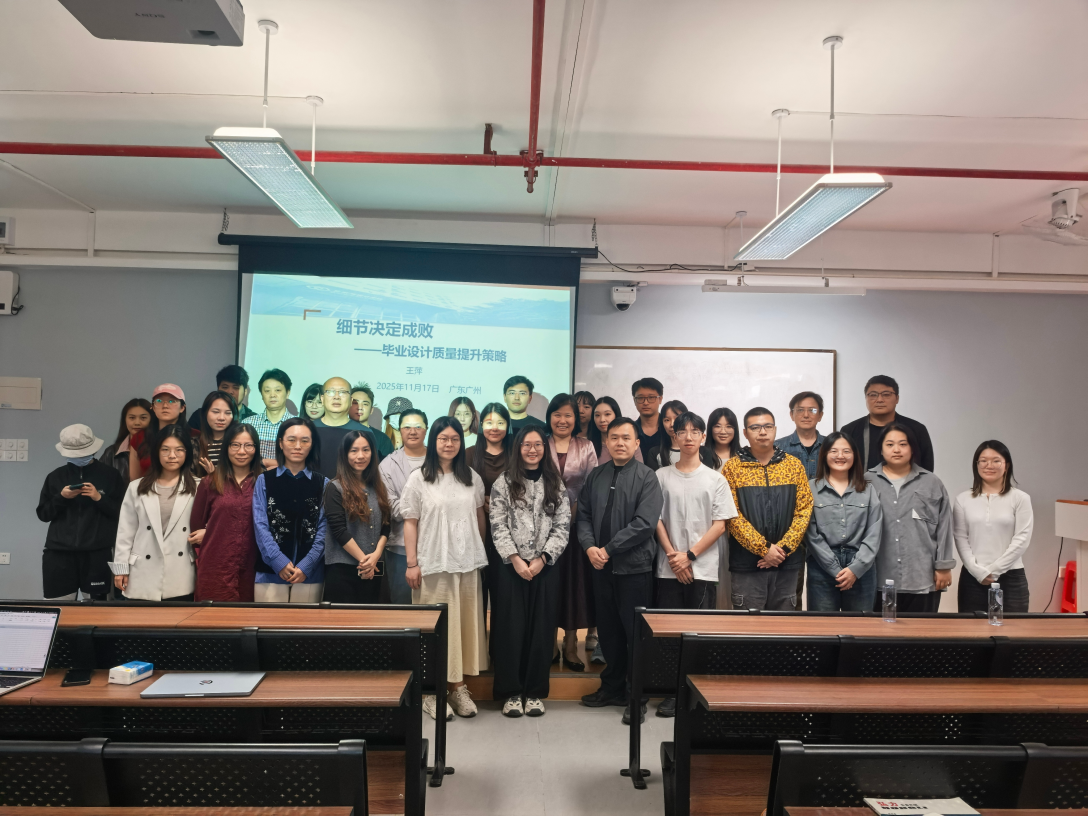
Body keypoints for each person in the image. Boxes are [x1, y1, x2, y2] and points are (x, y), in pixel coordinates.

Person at [401, 417, 488, 720]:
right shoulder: (418, 478)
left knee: (462, 628)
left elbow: (480, 519)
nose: (449, 444)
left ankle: (457, 688)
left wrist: (475, 551)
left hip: (466, 566)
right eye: (443, 439)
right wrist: (412, 563)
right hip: (433, 565)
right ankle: (430, 692)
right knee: (434, 630)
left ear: (461, 442)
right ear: (433, 441)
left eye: (454, 439)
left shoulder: (471, 477)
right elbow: (410, 523)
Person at [577, 417, 663, 725]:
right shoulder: (596, 475)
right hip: (600, 567)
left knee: (635, 634)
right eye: (614, 438)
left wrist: (609, 549)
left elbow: (645, 524)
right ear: (606, 442)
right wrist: (589, 547)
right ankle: (611, 688)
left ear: (637, 443)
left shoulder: (647, 477)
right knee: (609, 631)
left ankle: (636, 696)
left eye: (626, 438)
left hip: (633, 569)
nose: (620, 443)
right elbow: (583, 516)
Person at [653, 412, 737, 716]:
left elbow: (720, 524)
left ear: (703, 437)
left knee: (697, 633)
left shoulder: (716, 478)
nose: (688, 437)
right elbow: (655, 520)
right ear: (674, 436)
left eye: (695, 431)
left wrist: (688, 556)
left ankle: (694, 694)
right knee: (670, 634)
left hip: (702, 568)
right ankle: (672, 693)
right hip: (668, 568)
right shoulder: (661, 476)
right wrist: (674, 557)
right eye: (682, 431)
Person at [490, 425, 570, 717]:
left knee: (542, 629)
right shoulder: (504, 482)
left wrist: (543, 558)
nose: (532, 450)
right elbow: (497, 524)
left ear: (544, 449)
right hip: (510, 567)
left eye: (538, 444)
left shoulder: (555, 483)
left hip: (545, 567)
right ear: (518, 448)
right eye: (527, 444)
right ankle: (511, 692)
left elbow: (563, 525)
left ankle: (535, 692)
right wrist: (515, 558)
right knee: (510, 630)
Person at [723, 408, 813, 611]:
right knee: (748, 627)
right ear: (745, 433)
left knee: (784, 627)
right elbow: (731, 515)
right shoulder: (732, 468)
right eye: (755, 427)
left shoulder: (793, 466)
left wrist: (782, 550)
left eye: (767, 426)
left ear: (775, 429)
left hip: (787, 564)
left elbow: (804, 509)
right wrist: (764, 549)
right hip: (747, 565)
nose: (762, 432)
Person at [867, 423, 955, 613]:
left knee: (921, 631)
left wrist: (944, 566)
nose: (896, 449)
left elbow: (945, 527)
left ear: (912, 448)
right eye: (890, 444)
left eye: (903, 444)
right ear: (881, 450)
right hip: (877, 577)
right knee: (879, 632)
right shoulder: (866, 481)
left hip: (922, 577)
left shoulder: (931, 482)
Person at [36, 424, 125, 600]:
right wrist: (62, 497)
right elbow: (43, 514)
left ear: (94, 449)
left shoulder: (110, 476)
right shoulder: (55, 477)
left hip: (97, 554)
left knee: (96, 611)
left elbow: (122, 514)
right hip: (59, 554)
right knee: (59, 609)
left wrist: (98, 498)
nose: (79, 458)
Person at [110, 425, 199, 601]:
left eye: (179, 450)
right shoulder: (136, 487)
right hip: (142, 571)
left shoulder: (198, 486)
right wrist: (121, 569)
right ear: (156, 452)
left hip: (180, 570)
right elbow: (125, 532)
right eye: (165, 450)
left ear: (187, 453)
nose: (172, 455)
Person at [546, 394, 599, 672]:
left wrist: (573, 512)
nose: (562, 420)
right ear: (549, 417)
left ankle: (570, 642)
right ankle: (548, 642)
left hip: (577, 527)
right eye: (557, 414)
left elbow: (592, 486)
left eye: (568, 415)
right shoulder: (540, 443)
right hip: (543, 529)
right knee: (548, 585)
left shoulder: (586, 446)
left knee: (573, 586)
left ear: (575, 419)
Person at [252, 417, 329, 603]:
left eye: (305, 441)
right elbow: (260, 525)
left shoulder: (323, 483)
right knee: (268, 622)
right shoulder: (264, 480)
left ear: (312, 444)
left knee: (306, 622)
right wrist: (278, 561)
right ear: (280, 443)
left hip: (310, 574)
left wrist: (307, 565)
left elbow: (324, 529)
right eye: (291, 440)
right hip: (270, 571)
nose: (298, 446)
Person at [804, 432, 883, 612]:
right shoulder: (810, 488)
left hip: (861, 567)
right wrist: (833, 568)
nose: (840, 456)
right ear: (824, 455)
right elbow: (810, 533)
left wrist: (856, 569)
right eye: (834, 451)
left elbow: (874, 532)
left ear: (855, 456)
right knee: (823, 626)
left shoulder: (868, 490)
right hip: (821, 564)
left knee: (860, 625)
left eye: (846, 451)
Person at [954, 440, 1033, 614]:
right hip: (972, 578)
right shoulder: (963, 499)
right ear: (976, 465)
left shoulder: (1020, 498)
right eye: (983, 461)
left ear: (1007, 465)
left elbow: (1022, 538)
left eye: (996, 461)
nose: (989, 465)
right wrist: (977, 571)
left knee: (1015, 629)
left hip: (1011, 577)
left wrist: (994, 571)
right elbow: (960, 538)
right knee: (971, 630)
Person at [189, 423, 263, 602]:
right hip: (216, 568)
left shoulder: (264, 482)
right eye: (235, 445)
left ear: (256, 449)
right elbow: (195, 529)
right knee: (213, 618)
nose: (241, 451)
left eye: (248, 445)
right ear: (226, 447)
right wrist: (212, 533)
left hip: (254, 568)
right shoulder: (210, 482)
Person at [323, 430, 392, 604]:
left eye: (366, 450)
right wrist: (365, 561)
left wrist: (376, 555)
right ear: (345, 455)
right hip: (343, 572)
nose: (360, 456)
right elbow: (339, 531)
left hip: (374, 568)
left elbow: (386, 525)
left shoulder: (379, 487)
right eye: (354, 451)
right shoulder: (335, 487)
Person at [775, 391, 827, 602]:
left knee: (824, 587)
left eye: (812, 410)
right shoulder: (778, 448)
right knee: (790, 590)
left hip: (824, 526)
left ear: (820, 415)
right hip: (789, 526)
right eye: (800, 410)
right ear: (791, 414)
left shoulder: (832, 446)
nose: (806, 414)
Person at [380, 409, 429, 605]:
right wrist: (430, 506)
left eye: (418, 426)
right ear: (399, 430)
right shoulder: (387, 465)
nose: (413, 431)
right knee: (402, 607)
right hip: (399, 550)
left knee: (434, 607)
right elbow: (392, 509)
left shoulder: (441, 460)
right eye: (407, 427)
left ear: (426, 429)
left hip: (435, 546)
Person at [469, 403, 511, 621]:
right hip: (474, 532)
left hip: (509, 535)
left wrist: (499, 503)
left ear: (508, 425)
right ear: (480, 425)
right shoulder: (467, 455)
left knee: (504, 597)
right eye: (489, 422)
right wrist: (477, 502)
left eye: (500, 423)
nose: (495, 428)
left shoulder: (517, 455)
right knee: (476, 596)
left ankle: (499, 643)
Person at [841, 376, 935, 472]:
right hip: (861, 482)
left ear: (897, 398)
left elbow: (926, 469)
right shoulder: (849, 431)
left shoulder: (916, 429)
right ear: (866, 398)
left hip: (908, 482)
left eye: (886, 394)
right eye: (873, 395)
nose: (879, 400)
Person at [313, 377, 377, 478]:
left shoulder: (364, 433)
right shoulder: (308, 429)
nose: (336, 397)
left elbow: (370, 473)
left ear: (351, 400)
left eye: (342, 392)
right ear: (322, 399)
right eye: (331, 392)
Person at [244, 369, 297, 470]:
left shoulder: (298, 426)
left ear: (287, 393)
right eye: (267, 391)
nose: (272, 395)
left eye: (278, 390)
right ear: (262, 394)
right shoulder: (248, 424)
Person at [99, 398, 152, 483]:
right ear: (125, 420)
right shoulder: (111, 453)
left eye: (143, 418)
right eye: (132, 418)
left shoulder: (159, 449)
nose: (137, 423)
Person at [188, 364, 255, 430]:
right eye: (225, 387)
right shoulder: (200, 415)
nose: (230, 392)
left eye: (236, 387)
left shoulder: (254, 419)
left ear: (245, 392)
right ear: (218, 389)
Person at [588, 396, 643, 465]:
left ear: (616, 415)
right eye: (597, 415)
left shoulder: (630, 444)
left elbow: (640, 469)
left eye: (607, 414)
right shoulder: (588, 446)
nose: (602, 419)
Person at [193, 391, 238, 477]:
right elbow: (188, 477)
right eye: (216, 412)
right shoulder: (195, 443)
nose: (221, 418)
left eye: (228, 413)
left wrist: (213, 476)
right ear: (205, 413)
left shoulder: (240, 443)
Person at [350, 384, 394, 458]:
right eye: (355, 403)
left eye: (365, 404)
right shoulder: (338, 433)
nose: (360, 407)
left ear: (371, 410)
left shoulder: (382, 439)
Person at [631, 377, 668, 455]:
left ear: (660, 399)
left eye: (651, 397)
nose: (645, 403)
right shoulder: (630, 430)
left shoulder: (669, 429)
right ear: (634, 400)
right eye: (640, 398)